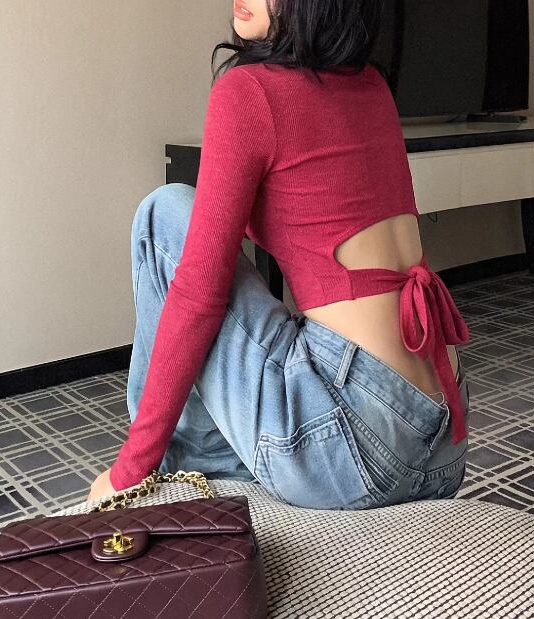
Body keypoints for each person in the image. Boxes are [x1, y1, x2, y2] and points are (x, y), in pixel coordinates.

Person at [87, 0, 471, 509]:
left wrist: (129, 468)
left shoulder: (249, 91)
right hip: (444, 441)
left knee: (163, 214)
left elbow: (198, 294)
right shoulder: (372, 85)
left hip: (354, 450)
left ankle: (169, 465)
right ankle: (197, 454)